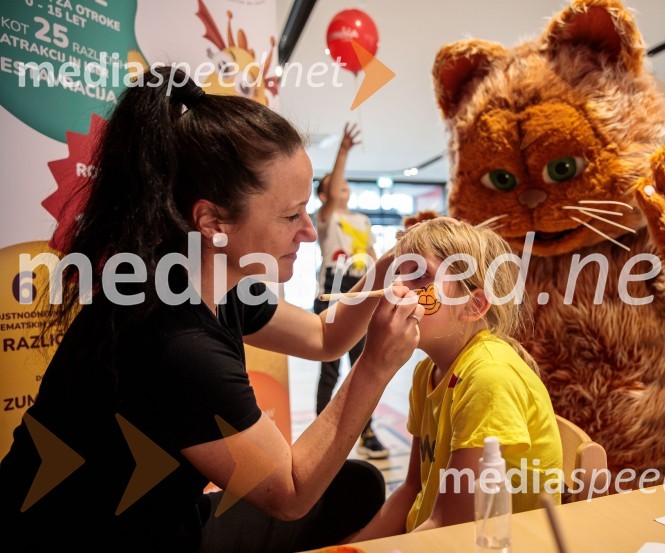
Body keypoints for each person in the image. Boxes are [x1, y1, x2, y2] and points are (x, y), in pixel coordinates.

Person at [0, 67, 424, 552]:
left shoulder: (205, 279)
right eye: (291, 215)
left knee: (357, 486)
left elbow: (324, 337)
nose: (308, 232)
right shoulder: (174, 342)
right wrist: (375, 367)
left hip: (164, 516)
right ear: (212, 221)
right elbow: (290, 494)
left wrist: (385, 270)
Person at [350, 218, 563, 540]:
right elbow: (411, 489)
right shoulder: (427, 372)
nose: (396, 289)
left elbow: (451, 526)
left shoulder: (488, 377)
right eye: (398, 274)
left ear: (473, 305)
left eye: (420, 274)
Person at [313, 123, 388, 459]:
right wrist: (343, 151)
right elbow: (332, 192)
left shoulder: (362, 220)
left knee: (362, 366)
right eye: (336, 184)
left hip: (360, 289)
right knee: (330, 368)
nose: (343, 186)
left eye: (345, 183)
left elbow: (372, 257)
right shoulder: (325, 217)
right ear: (324, 194)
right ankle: (319, 433)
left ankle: (366, 431)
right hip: (332, 289)